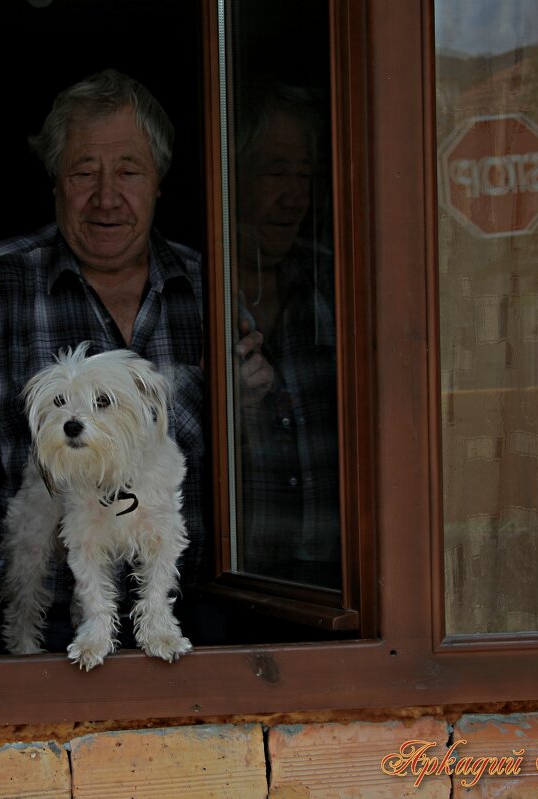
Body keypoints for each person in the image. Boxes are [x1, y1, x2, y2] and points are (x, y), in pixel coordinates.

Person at [0, 69, 254, 652]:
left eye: (128, 171)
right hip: (44, 630)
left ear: (159, 182)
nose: (106, 197)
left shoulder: (209, 287)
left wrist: (249, 403)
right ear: (56, 181)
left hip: (195, 620)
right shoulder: (1, 283)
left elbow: (256, 465)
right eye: (84, 172)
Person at [232, 82, 341, 588]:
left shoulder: (335, 280)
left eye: (305, 176)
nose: (296, 196)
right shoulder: (190, 288)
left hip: (335, 578)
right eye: (276, 173)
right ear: (233, 176)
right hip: (230, 585)